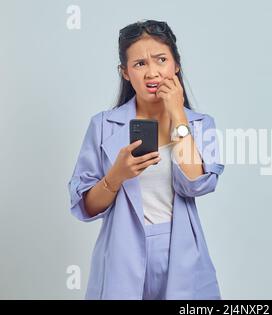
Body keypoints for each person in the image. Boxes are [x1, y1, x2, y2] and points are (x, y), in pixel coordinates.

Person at [67, 19, 225, 300]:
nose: (152, 72)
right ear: (125, 72)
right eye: (139, 64)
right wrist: (116, 176)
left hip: (182, 254)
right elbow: (86, 206)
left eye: (161, 60)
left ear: (176, 64)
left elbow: (196, 184)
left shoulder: (200, 124)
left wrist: (178, 114)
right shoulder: (104, 125)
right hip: (121, 255)